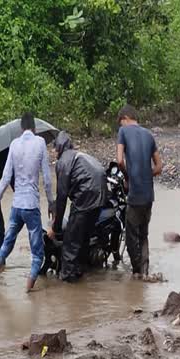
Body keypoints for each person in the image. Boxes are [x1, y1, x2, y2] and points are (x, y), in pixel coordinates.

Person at [0, 112, 54, 291]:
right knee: (38, 254)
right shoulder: (40, 143)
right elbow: (46, 178)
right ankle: (28, 291)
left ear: (22, 128)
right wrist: (51, 202)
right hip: (31, 206)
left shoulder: (14, 144)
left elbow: (6, 179)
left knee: (7, 244)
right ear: (34, 128)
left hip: (17, 206)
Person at [47, 131, 107, 282]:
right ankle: (80, 270)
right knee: (84, 237)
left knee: (71, 242)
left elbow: (62, 197)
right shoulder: (79, 155)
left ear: (59, 148)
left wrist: (56, 228)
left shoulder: (63, 161)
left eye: (54, 149)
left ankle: (68, 279)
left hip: (86, 197)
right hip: (100, 197)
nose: (54, 153)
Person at [116, 105, 163, 278]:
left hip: (135, 194)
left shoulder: (123, 132)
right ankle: (145, 270)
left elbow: (120, 161)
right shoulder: (149, 135)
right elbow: (159, 167)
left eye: (121, 123)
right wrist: (146, 173)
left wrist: (128, 178)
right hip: (149, 195)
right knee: (144, 235)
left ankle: (137, 272)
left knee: (130, 237)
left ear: (125, 119)